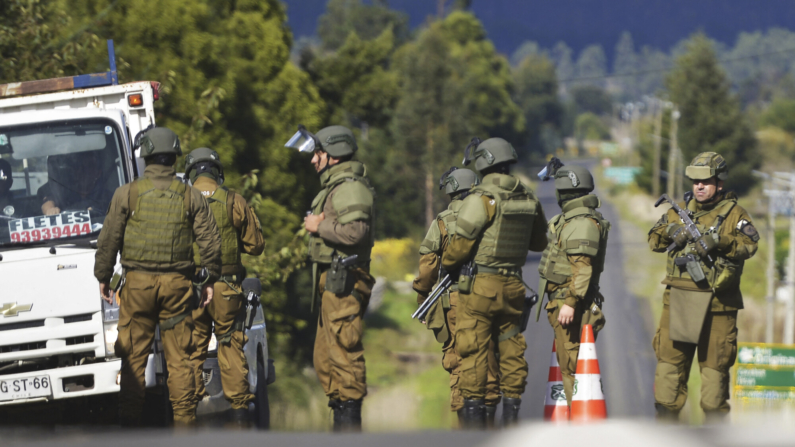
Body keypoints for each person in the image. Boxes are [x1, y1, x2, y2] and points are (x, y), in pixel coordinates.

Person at [94, 127, 221, 427]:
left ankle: (132, 432)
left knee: (134, 360)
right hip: (177, 287)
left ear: (146, 156)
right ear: (175, 157)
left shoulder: (127, 193)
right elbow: (210, 243)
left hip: (137, 286)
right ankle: (185, 428)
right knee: (180, 361)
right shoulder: (190, 195)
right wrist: (208, 280)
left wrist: (103, 275)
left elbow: (109, 238)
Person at [441, 137, 548, 428]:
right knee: (512, 346)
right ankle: (511, 414)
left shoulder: (482, 199)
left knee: (473, 349)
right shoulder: (527, 196)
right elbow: (540, 242)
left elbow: (461, 244)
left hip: (480, 287)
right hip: (514, 285)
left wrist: (447, 263)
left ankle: (477, 423)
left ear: (484, 162)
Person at [648, 152, 758, 421]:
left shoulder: (736, 215)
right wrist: (671, 231)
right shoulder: (678, 211)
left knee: (713, 392)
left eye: (706, 181)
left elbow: (750, 245)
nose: (699, 186)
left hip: (718, 308)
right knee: (668, 386)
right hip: (679, 304)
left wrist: (720, 241)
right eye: (695, 181)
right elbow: (654, 241)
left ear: (719, 182)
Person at [285, 125, 376, 431]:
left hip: (344, 284)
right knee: (327, 362)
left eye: (318, 154)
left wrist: (317, 227)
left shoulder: (349, 187)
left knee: (345, 360)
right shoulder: (337, 187)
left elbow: (356, 232)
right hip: (334, 285)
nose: (313, 160)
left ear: (333, 155)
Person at [412, 167, 503, 427]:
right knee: (488, 360)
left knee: (460, 362)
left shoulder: (443, 220)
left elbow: (428, 264)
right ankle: (486, 427)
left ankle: (469, 431)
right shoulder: (492, 214)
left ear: (451, 189)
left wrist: (422, 298)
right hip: (491, 297)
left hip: (457, 300)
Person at [184, 147, 265, 428]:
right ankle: (240, 416)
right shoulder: (234, 200)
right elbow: (256, 246)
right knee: (230, 344)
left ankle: (186, 416)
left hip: (192, 290)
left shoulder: (179, 201)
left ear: (191, 172)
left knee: (192, 350)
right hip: (227, 288)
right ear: (218, 172)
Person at [536, 165, 609, 408]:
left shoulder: (581, 223)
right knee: (570, 365)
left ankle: (578, 424)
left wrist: (570, 303)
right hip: (565, 300)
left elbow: (583, 268)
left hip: (571, 304)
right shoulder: (575, 220)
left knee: (572, 369)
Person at [39, 150, 111, 215]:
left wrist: (94, 212)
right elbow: (48, 200)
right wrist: (51, 210)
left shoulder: (106, 196)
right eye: (79, 167)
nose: (82, 171)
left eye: (88, 167)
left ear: (98, 173)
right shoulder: (62, 191)